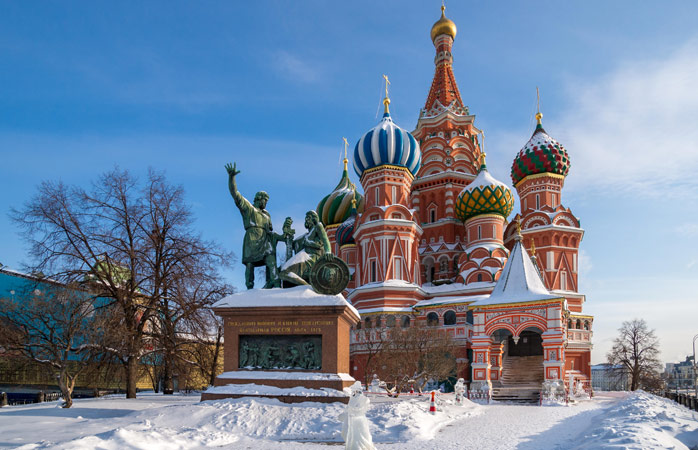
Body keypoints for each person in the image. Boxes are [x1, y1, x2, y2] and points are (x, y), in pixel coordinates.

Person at [226, 162, 281, 289]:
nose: (266, 203)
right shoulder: (249, 209)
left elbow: (271, 232)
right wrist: (232, 177)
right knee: (250, 264)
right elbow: (235, 194)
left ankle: (274, 283)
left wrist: (283, 236)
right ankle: (249, 287)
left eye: (267, 201)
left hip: (264, 241)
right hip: (251, 239)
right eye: (264, 200)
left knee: (270, 259)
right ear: (258, 199)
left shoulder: (267, 215)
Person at [279, 210, 331, 286]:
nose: (306, 219)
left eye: (308, 218)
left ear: (314, 219)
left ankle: (307, 287)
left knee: (284, 272)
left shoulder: (318, 227)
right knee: (279, 270)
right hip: (304, 258)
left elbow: (325, 240)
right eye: (306, 218)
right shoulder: (303, 237)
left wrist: (328, 252)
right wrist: (287, 232)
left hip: (312, 259)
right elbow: (291, 245)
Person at [339, 382, 375, 450]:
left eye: (355, 390)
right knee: (346, 434)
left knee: (359, 438)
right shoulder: (352, 399)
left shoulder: (364, 399)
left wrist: (351, 411)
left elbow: (361, 410)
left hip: (359, 421)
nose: (354, 392)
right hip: (351, 420)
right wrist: (343, 415)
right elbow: (348, 409)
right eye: (353, 391)